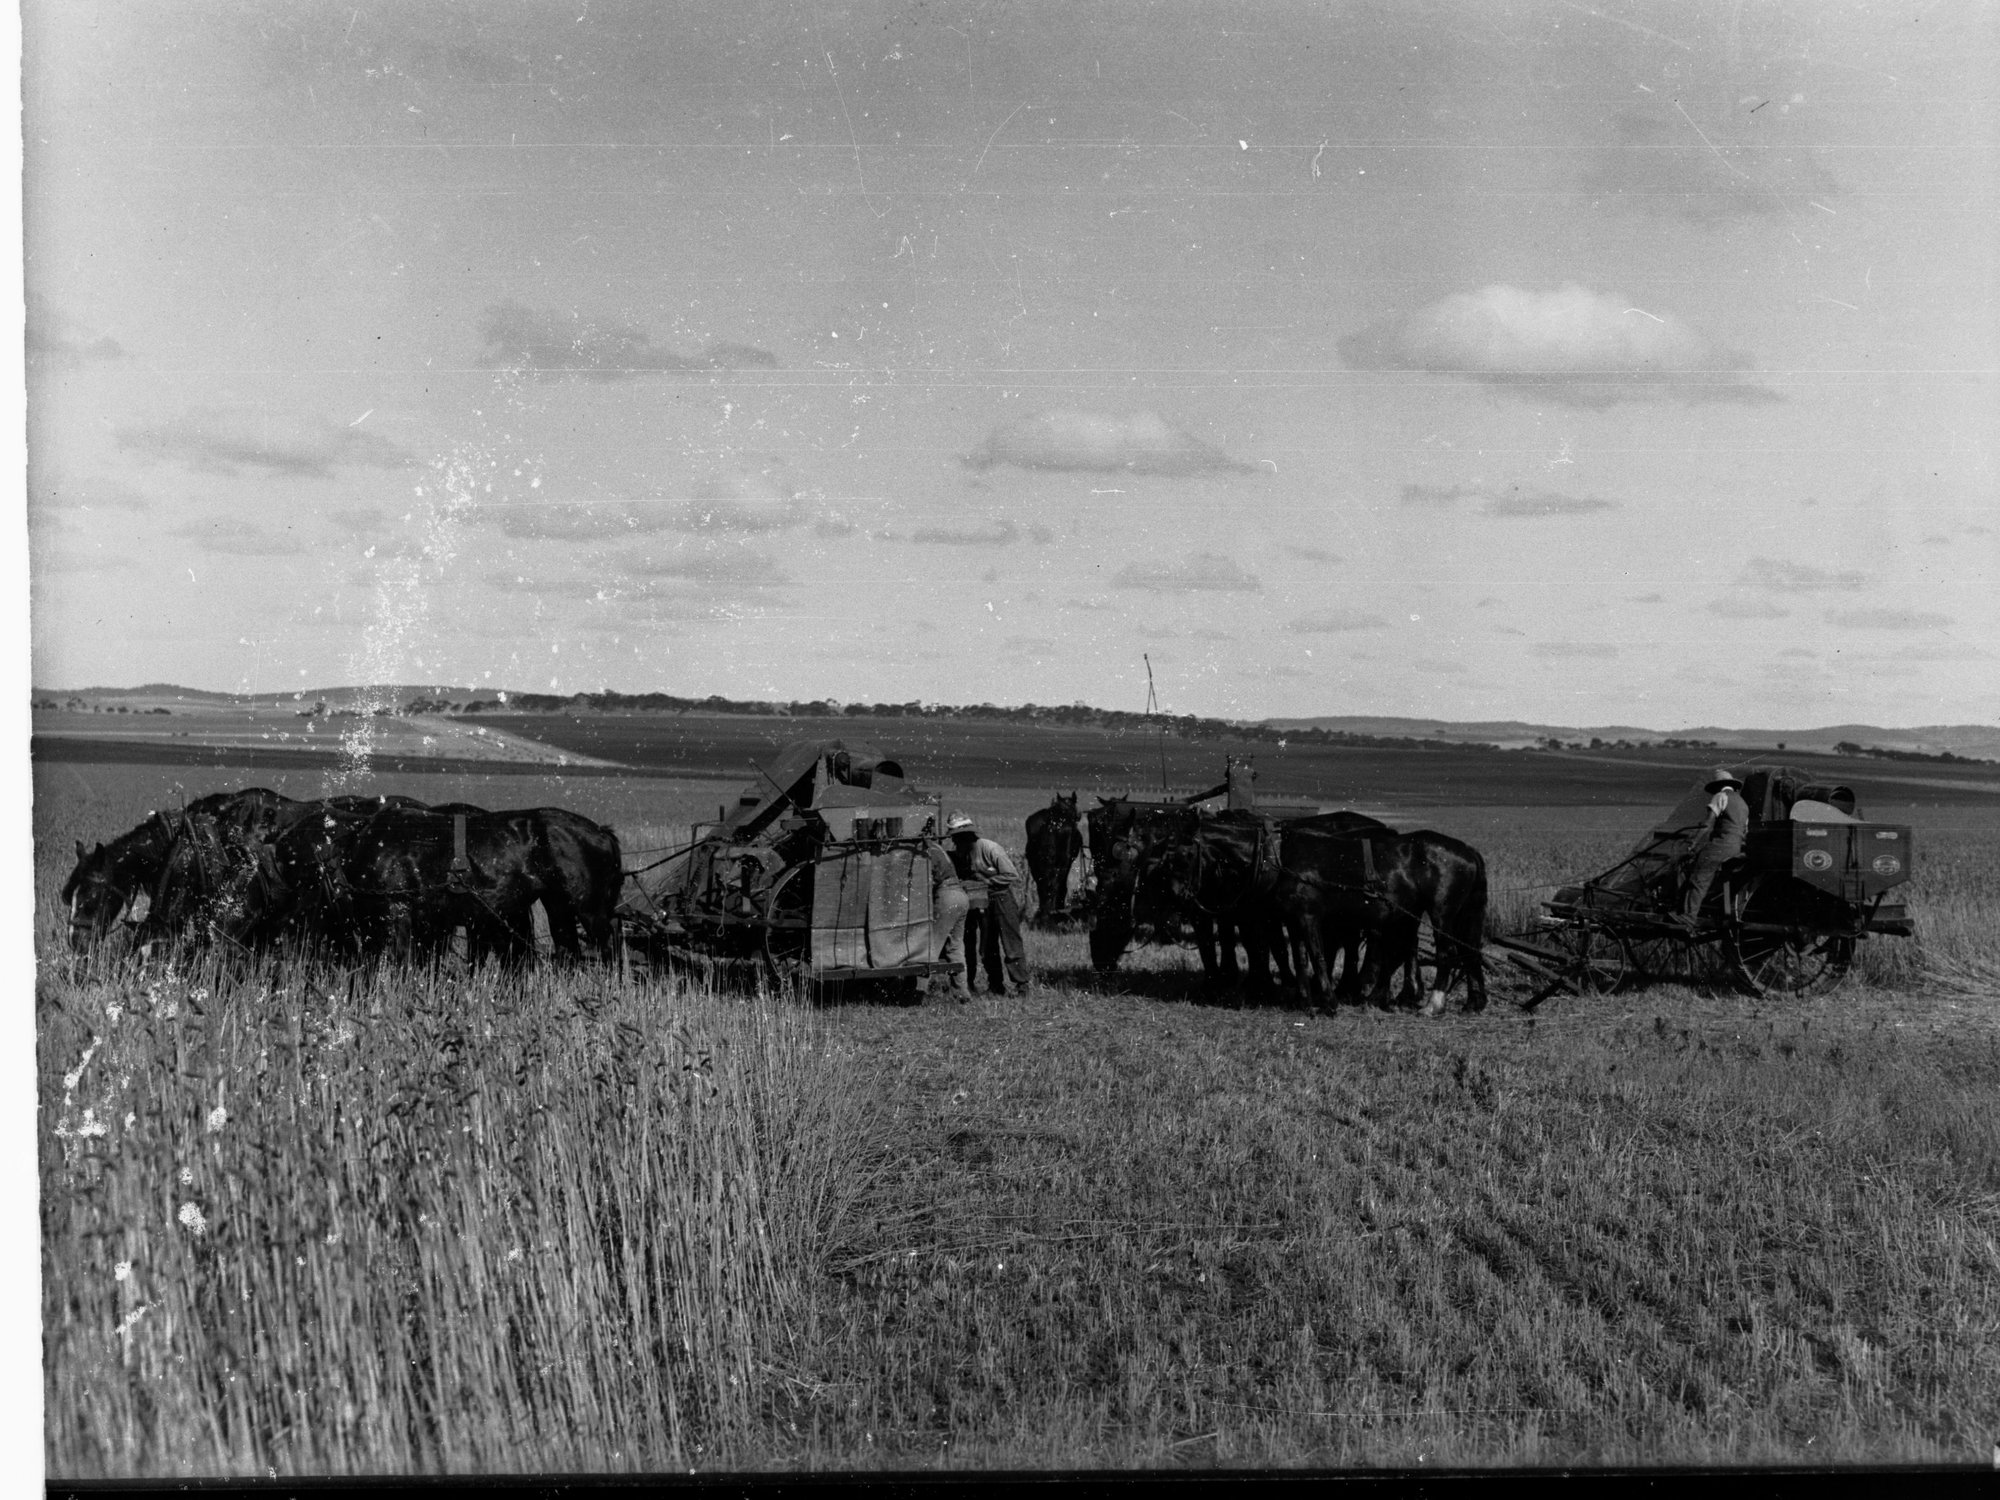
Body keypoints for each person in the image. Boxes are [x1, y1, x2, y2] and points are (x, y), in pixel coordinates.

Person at [947, 812, 1031, 994]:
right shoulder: (960, 853)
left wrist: (987, 881)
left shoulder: (989, 848)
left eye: (959, 837)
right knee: (987, 946)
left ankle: (1021, 984)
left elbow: (1011, 875)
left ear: (968, 836)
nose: (956, 842)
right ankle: (995, 985)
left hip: (1000, 898)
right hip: (978, 901)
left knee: (1010, 943)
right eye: (954, 838)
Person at [1681, 767, 1751, 925]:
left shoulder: (1720, 796)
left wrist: (1692, 844)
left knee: (1698, 878)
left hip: (1719, 846)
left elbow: (1707, 824)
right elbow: (1745, 831)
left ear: (1717, 786)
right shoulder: (1743, 804)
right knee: (1725, 881)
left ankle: (1688, 916)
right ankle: (1726, 914)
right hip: (1736, 848)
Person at [921, 824, 972, 1002]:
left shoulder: (926, 851)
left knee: (930, 946)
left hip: (946, 896)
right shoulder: (939, 849)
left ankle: (919, 991)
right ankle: (961, 991)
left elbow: (927, 882)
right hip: (960, 895)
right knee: (956, 946)